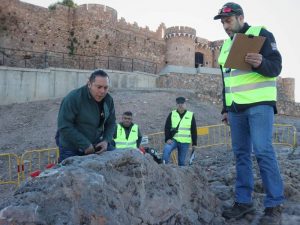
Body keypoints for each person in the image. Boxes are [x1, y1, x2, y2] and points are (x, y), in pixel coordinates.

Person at [214, 2, 284, 224]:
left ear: (240, 18)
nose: (225, 25)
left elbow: (276, 66)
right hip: (236, 110)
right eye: (223, 22)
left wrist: (262, 61)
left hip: (259, 105)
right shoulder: (226, 46)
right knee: (241, 154)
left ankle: (274, 205)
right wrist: (225, 108)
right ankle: (243, 202)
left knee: (263, 151)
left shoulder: (260, 34)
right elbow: (227, 81)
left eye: (228, 20)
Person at [57, 69, 116, 162]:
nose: (102, 91)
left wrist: (106, 141)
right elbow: (64, 126)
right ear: (89, 84)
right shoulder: (73, 98)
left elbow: (111, 122)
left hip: (95, 145)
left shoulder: (108, 99)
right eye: (99, 87)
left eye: (106, 87)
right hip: (71, 148)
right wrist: (85, 145)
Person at [162, 97, 197, 166]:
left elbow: (193, 130)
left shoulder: (190, 115)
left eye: (182, 104)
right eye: (179, 104)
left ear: (185, 104)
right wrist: (167, 139)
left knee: (181, 162)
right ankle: (164, 167)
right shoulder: (172, 114)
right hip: (174, 140)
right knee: (166, 149)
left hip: (185, 142)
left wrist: (194, 143)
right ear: (176, 105)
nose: (180, 105)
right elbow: (167, 127)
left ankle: (181, 174)